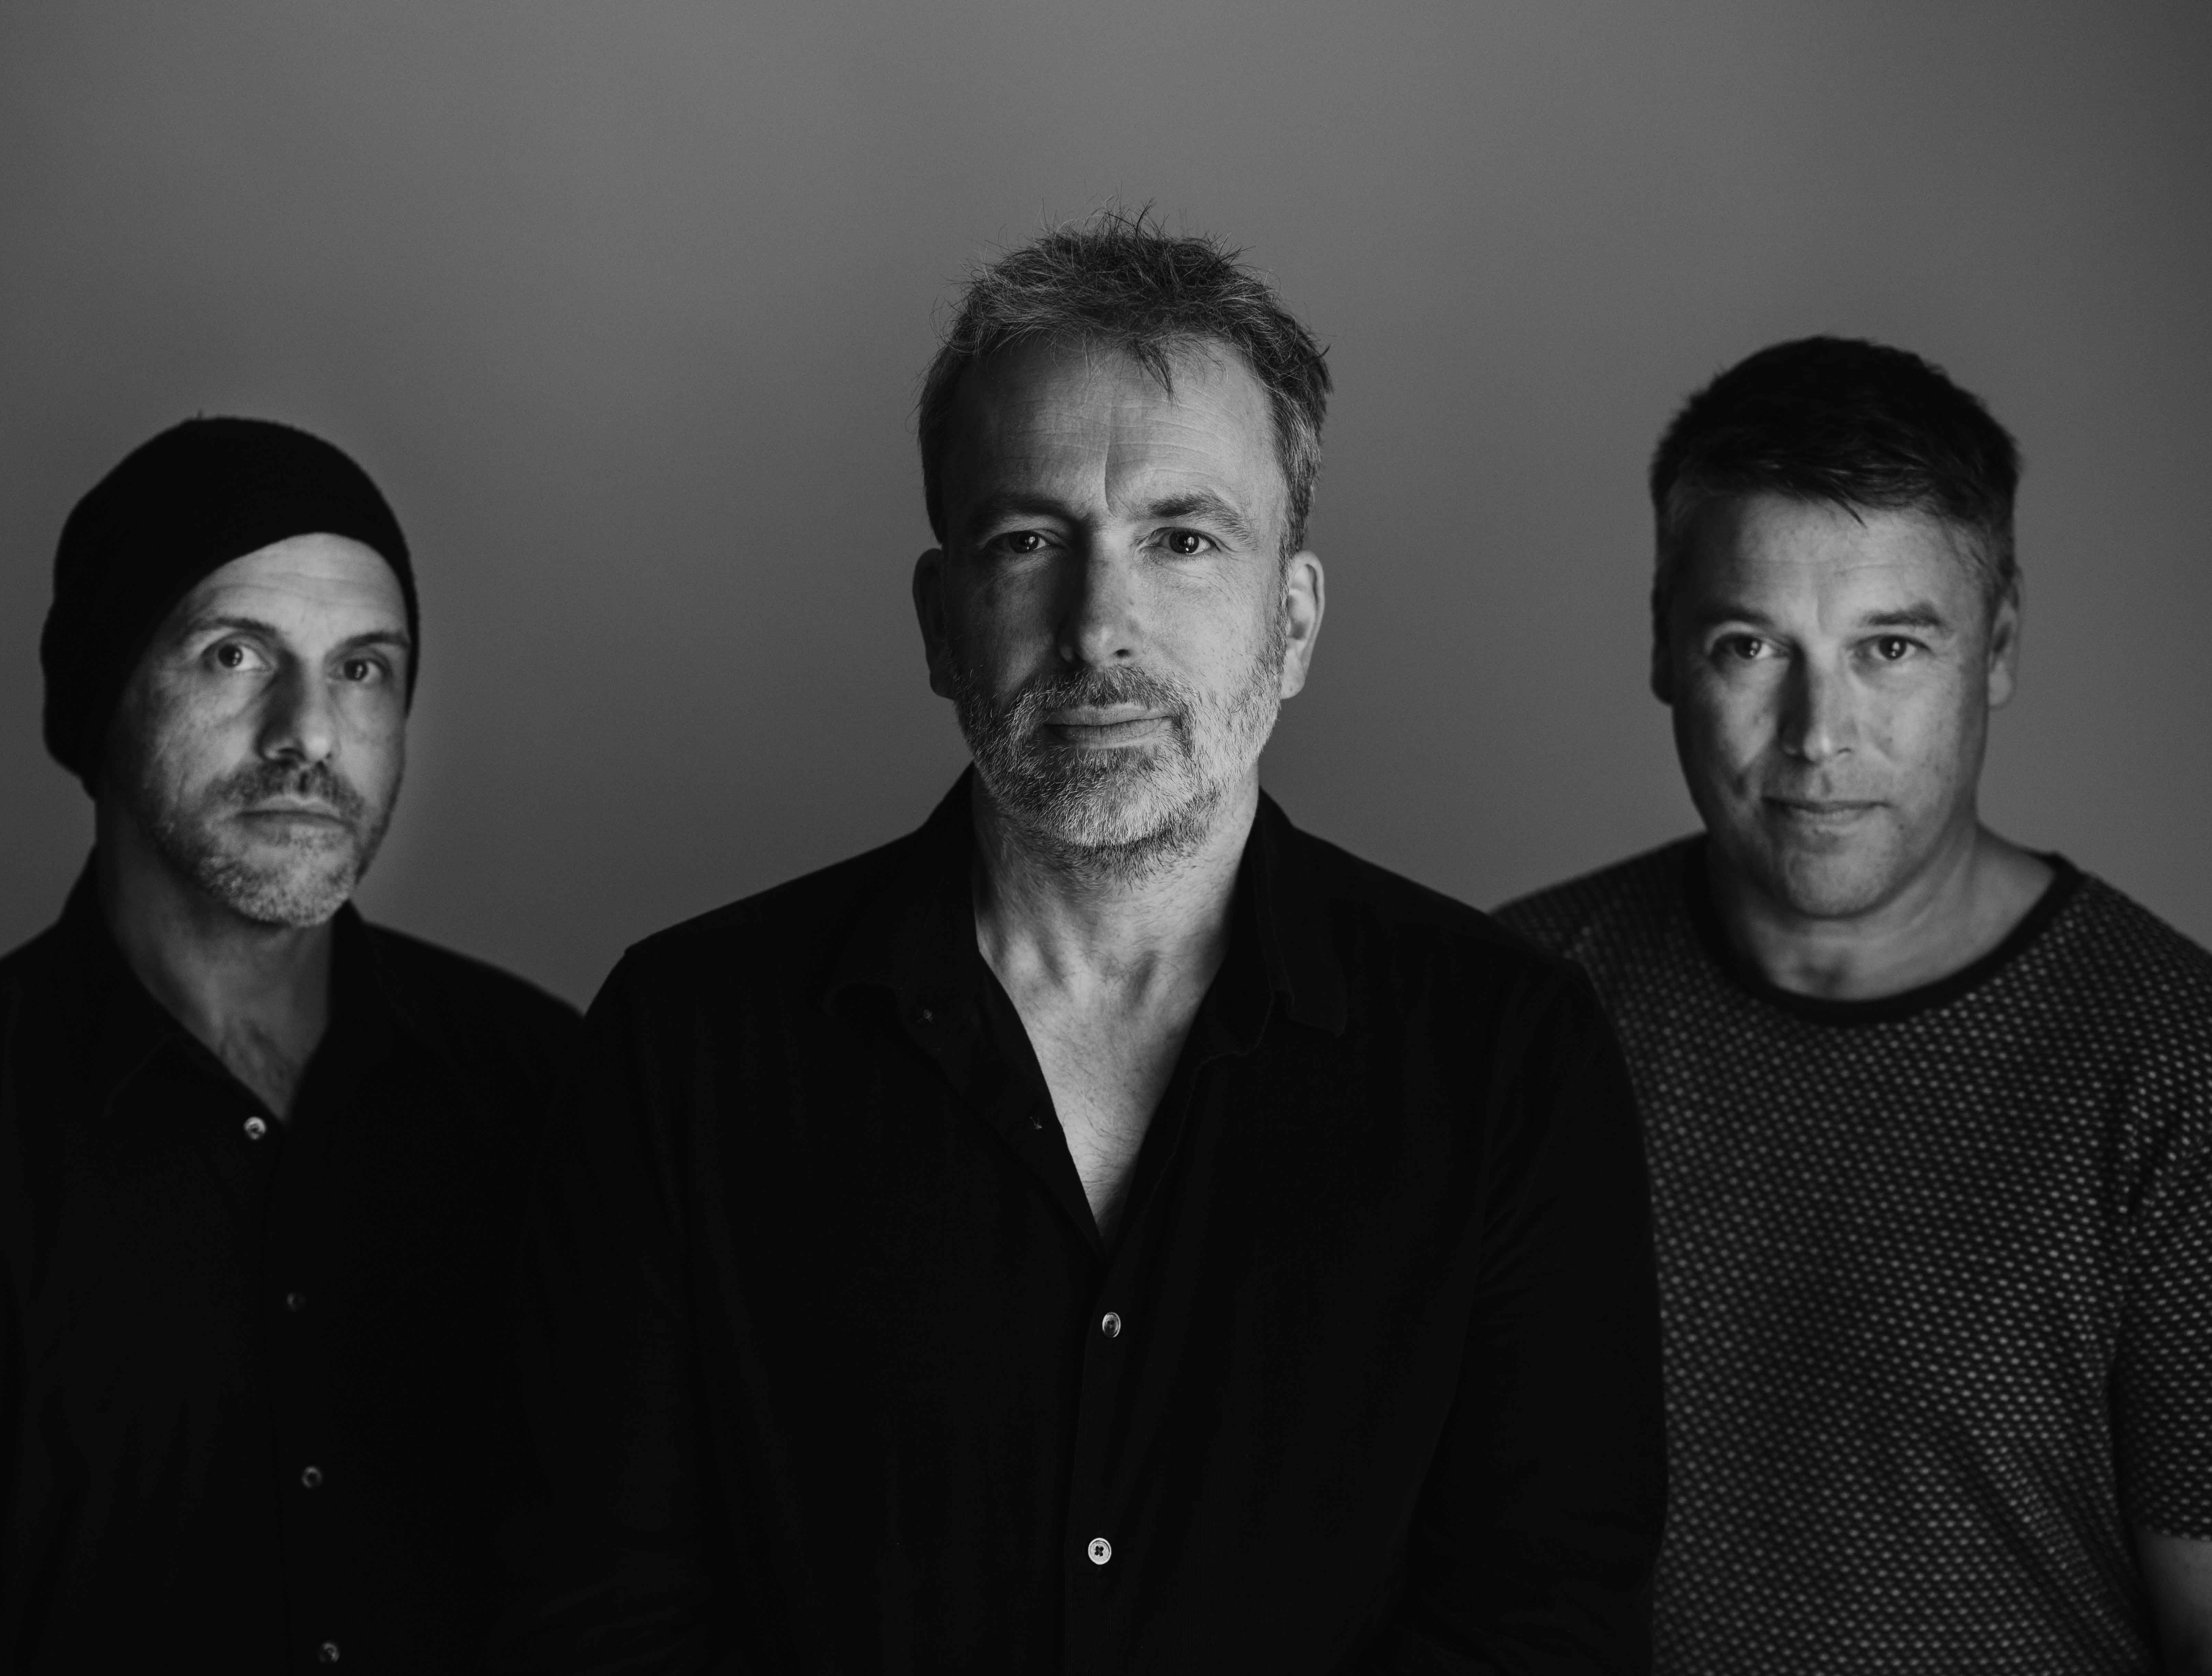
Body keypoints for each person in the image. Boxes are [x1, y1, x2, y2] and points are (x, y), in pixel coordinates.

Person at [496, 210, 1666, 1673]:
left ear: (1294, 624)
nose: (1098, 626)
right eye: (1029, 540)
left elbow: (1544, 1624)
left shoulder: (1504, 1057)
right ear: (941, 623)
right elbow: (599, 1616)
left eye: (1182, 540)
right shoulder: (689, 1042)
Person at [1498, 335, 2212, 1673]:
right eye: (1747, 644)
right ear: (1663, 643)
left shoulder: (2199, 1092)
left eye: (1889, 646)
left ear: (1997, 646)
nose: (1817, 733)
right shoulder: (1509, 1011)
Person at [0, 418, 581, 1673]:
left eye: (364, 668)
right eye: (236, 653)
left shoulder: (550, 1088)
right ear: (102, 694)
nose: (311, 732)